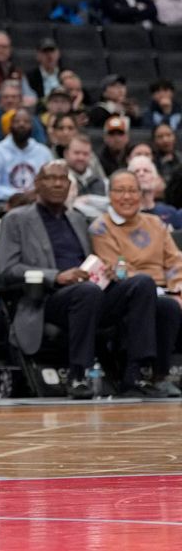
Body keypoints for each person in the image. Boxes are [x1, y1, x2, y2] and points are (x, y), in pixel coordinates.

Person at [0, 161, 154, 398]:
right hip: (46, 299)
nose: (58, 184)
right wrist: (56, 276)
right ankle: (78, 375)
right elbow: (7, 270)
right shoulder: (16, 219)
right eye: (51, 178)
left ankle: (136, 374)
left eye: (63, 179)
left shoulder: (78, 219)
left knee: (142, 283)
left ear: (70, 185)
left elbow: (90, 261)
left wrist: (107, 273)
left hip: (89, 293)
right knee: (87, 291)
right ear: (37, 183)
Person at [87, 170, 182, 397]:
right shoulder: (100, 227)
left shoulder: (156, 223)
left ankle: (159, 375)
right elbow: (116, 268)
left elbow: (174, 260)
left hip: (162, 290)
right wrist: (158, 289)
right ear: (110, 195)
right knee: (144, 286)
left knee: (169, 306)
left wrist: (178, 286)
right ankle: (134, 372)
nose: (127, 197)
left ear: (141, 194)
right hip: (123, 292)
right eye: (120, 191)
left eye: (132, 191)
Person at [0, 109, 52, 202]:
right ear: (10, 126)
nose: (21, 124)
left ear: (32, 126)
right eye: (17, 121)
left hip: (37, 203)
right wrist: (18, 195)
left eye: (26, 122)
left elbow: (51, 182)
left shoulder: (44, 153)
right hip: (3, 203)